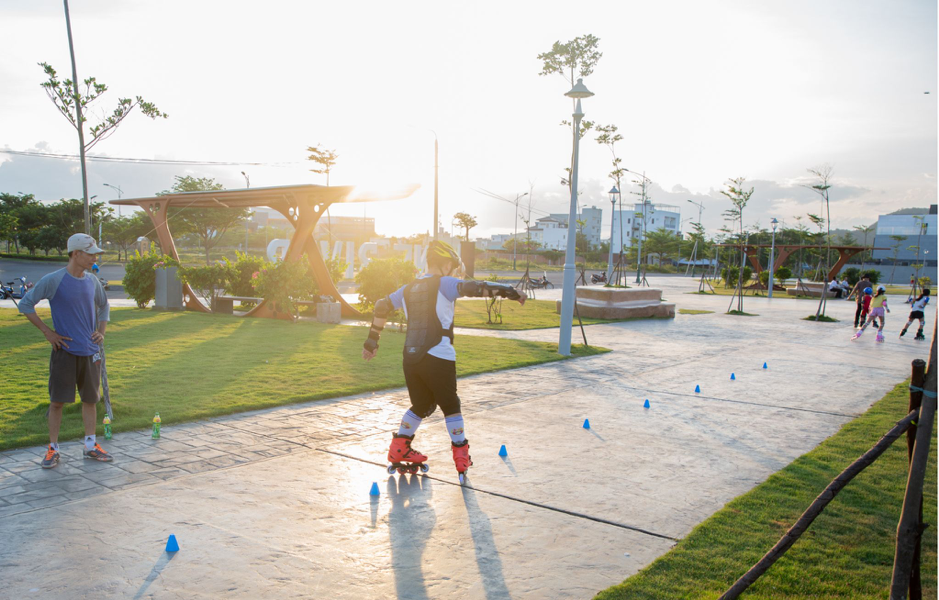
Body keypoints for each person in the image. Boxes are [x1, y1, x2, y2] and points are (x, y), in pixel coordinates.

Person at [362, 240, 527, 482]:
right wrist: (512, 291)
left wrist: (372, 342)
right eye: (452, 266)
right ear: (447, 264)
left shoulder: (407, 289)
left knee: (423, 404)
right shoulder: (445, 284)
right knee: (450, 405)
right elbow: (476, 287)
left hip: (411, 357)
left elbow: (381, 306)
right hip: (439, 356)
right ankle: (461, 456)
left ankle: (399, 448)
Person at [19, 234, 113, 468]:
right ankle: (53, 449)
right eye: (90, 253)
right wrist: (47, 332)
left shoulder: (92, 281)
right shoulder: (54, 280)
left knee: (90, 400)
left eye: (95, 254)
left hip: (90, 352)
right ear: (76, 254)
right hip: (65, 352)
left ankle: (90, 446)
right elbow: (26, 304)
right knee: (57, 402)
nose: (94, 257)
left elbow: (104, 304)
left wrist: (101, 332)